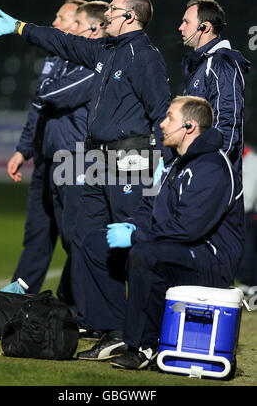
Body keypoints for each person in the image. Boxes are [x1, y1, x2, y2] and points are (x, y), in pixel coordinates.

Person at [0, 0, 172, 329]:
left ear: (129, 16)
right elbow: (61, 40)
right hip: (98, 160)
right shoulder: (105, 51)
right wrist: (20, 27)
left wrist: (162, 162)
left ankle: (149, 325)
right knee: (87, 240)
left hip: (130, 158)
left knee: (134, 245)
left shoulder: (145, 57)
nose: (106, 14)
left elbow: (162, 112)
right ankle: (106, 324)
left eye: (112, 9)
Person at [73, 95, 244, 370]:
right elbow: (147, 207)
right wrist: (131, 224)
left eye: (170, 118)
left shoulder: (212, 167)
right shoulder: (174, 164)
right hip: (178, 248)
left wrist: (136, 237)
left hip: (209, 260)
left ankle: (146, 346)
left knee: (146, 253)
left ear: (189, 127)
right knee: (94, 242)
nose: (162, 124)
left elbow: (188, 229)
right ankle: (115, 330)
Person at [3, 0, 108, 306]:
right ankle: (23, 291)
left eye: (67, 19)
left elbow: (49, 97)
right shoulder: (57, 57)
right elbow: (39, 108)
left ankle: (77, 301)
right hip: (47, 156)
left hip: (74, 159)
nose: (60, 23)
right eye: (64, 19)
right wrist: (24, 150)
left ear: (88, 25)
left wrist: (45, 93)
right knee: (39, 231)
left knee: (74, 235)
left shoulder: (93, 59)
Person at [179, 0, 250, 178]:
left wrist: (211, 169)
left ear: (205, 27)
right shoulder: (200, 65)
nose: (181, 27)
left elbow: (228, 122)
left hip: (211, 174)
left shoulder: (221, 64)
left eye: (187, 22)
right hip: (195, 167)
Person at [237, 144, 257, 295]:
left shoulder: (251, 160)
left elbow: (249, 196)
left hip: (247, 214)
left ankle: (247, 282)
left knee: (248, 249)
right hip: (243, 211)